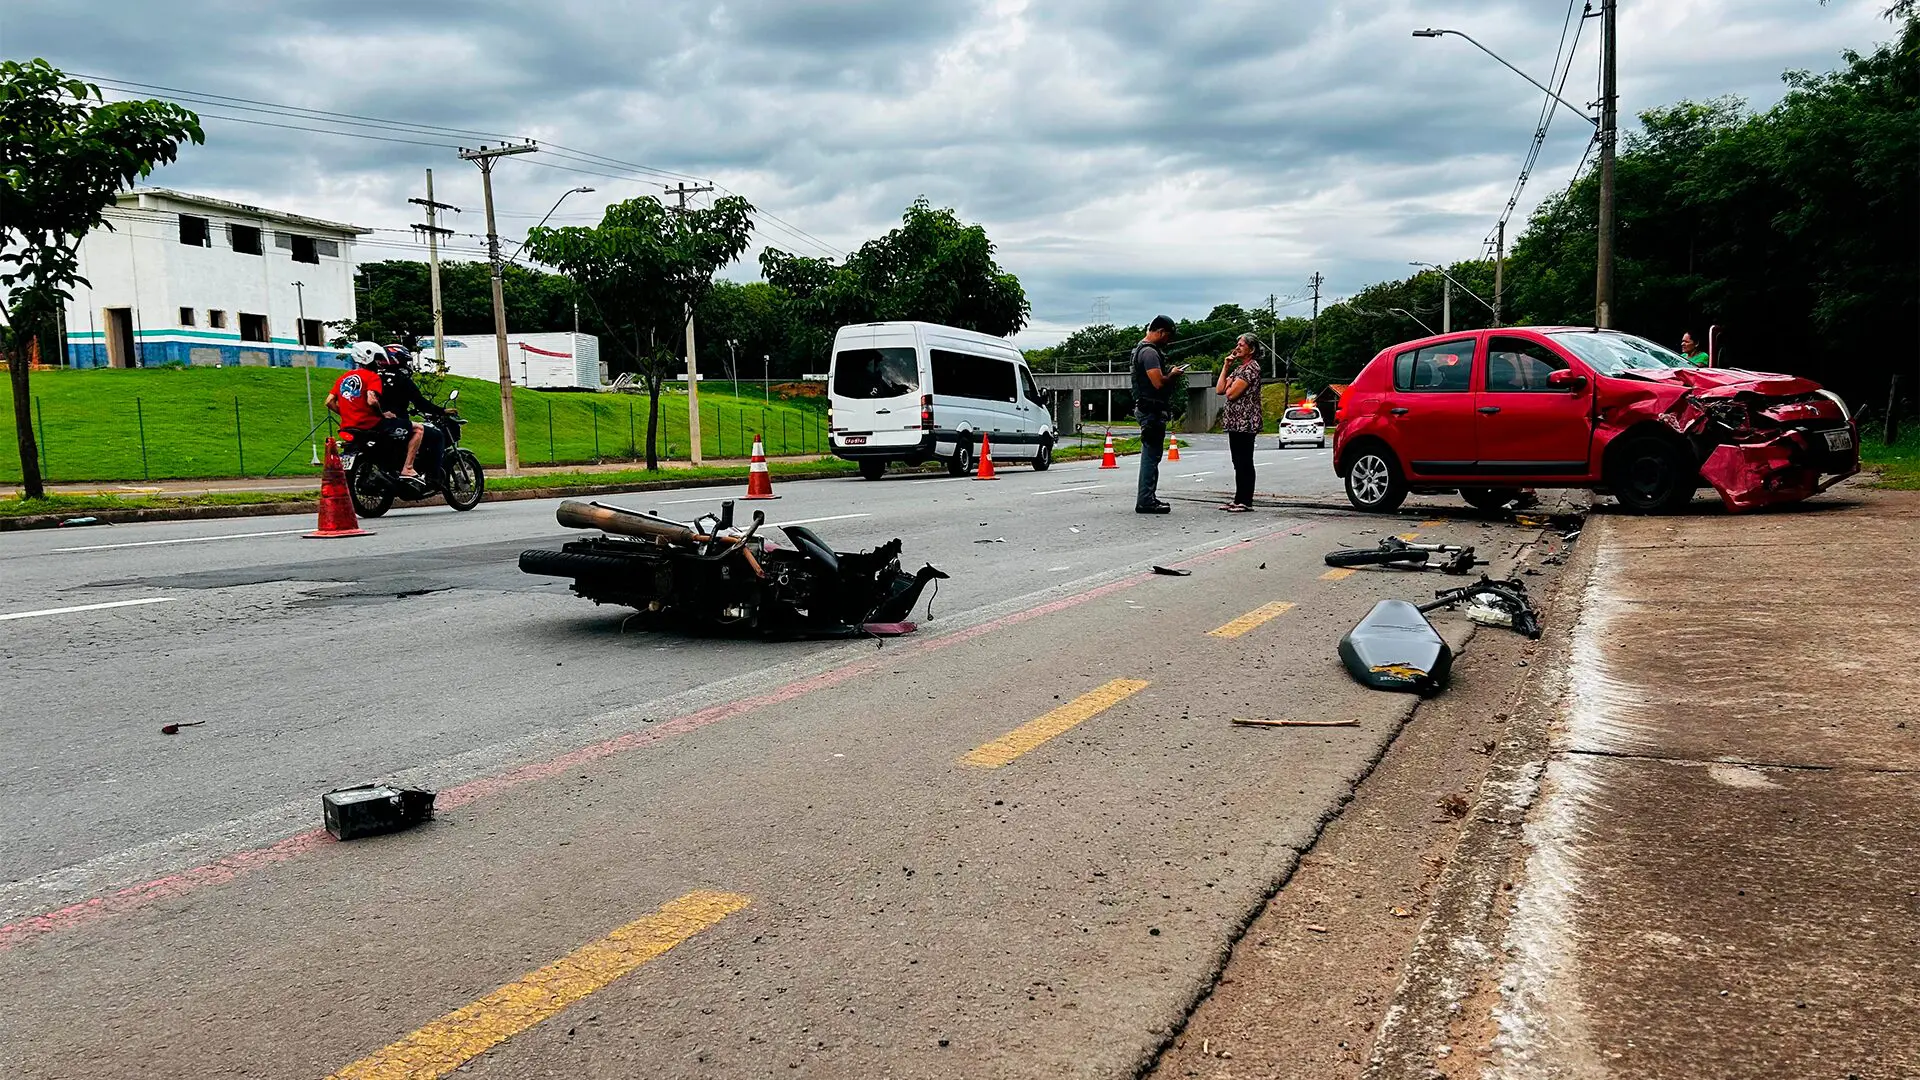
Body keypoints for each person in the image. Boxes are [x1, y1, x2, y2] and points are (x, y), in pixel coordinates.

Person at [1131, 315, 1186, 514]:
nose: (1168, 341)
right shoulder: (1149, 353)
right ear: (1161, 332)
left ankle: (1148, 497)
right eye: (1168, 336)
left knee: (1151, 455)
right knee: (1151, 456)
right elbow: (1158, 383)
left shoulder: (1141, 349)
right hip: (1151, 410)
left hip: (1147, 408)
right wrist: (1172, 374)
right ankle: (1146, 500)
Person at [375, 344, 444, 479]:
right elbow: (420, 402)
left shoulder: (373, 377)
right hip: (396, 422)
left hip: (373, 421)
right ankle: (429, 474)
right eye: (405, 360)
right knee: (436, 435)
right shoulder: (401, 379)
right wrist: (441, 411)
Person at [1215, 333, 1264, 512]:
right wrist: (1226, 366)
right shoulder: (1238, 369)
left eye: (1241, 345)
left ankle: (1246, 500)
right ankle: (1238, 498)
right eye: (1237, 344)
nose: (1237, 347)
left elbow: (1232, 394)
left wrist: (1231, 385)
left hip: (1246, 420)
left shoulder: (1252, 368)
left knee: (1244, 460)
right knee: (1237, 460)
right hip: (1235, 421)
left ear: (1251, 349)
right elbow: (1220, 389)